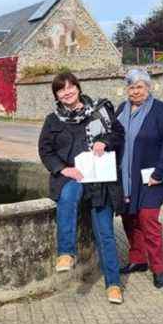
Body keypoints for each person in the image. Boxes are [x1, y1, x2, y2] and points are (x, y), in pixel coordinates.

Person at [38, 72, 126, 304]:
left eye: (70, 87)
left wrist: (104, 141)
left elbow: (118, 133)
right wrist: (62, 169)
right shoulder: (53, 120)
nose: (66, 92)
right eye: (60, 89)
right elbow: (45, 150)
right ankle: (65, 254)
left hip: (99, 182)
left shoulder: (100, 111)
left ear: (78, 87)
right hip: (73, 177)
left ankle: (114, 285)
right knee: (67, 198)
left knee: (105, 234)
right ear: (56, 95)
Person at [116, 68, 163, 290]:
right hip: (126, 176)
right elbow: (113, 136)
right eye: (131, 87)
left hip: (152, 177)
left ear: (148, 87)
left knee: (147, 219)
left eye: (139, 86)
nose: (135, 91)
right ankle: (138, 259)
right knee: (129, 218)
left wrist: (160, 172)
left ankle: (159, 267)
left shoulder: (161, 111)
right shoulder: (122, 109)